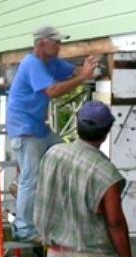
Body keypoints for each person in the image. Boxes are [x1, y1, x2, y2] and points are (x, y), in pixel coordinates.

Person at [34, 100, 133, 257]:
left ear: (77, 126)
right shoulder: (105, 172)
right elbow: (114, 222)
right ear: (106, 132)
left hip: (56, 254)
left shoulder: (53, 154)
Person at [6, 25, 98, 242]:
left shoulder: (51, 63)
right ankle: (24, 229)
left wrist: (88, 67)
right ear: (41, 43)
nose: (60, 46)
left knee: (63, 151)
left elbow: (73, 71)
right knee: (32, 178)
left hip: (37, 127)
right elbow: (53, 91)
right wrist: (83, 77)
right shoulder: (32, 63)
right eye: (56, 42)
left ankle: (18, 184)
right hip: (24, 129)